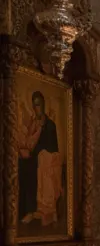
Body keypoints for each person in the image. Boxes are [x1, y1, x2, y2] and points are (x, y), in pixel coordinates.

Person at [18, 91, 62, 226]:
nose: (37, 108)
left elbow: (51, 147)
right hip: (35, 157)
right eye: (34, 105)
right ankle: (25, 210)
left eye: (39, 104)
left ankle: (33, 211)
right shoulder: (33, 123)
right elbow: (28, 141)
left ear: (43, 105)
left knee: (32, 166)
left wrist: (33, 153)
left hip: (46, 159)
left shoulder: (50, 125)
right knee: (22, 164)